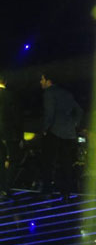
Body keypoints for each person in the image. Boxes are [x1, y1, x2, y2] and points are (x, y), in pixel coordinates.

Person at [40, 71, 83, 200]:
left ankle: (47, 190)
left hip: (54, 132)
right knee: (66, 163)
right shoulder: (67, 93)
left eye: (42, 79)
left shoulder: (49, 93)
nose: (40, 82)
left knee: (49, 163)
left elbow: (50, 113)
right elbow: (79, 110)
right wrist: (74, 124)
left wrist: (45, 129)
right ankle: (66, 192)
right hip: (69, 133)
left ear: (48, 81)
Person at [0, 74, 22, 198]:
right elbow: (16, 115)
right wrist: (20, 134)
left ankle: (1, 187)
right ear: (5, 81)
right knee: (14, 159)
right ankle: (8, 185)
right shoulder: (11, 95)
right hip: (10, 131)